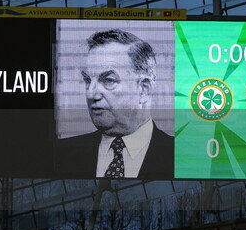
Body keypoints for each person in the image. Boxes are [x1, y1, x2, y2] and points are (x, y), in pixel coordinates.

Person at [54, 28, 173, 179]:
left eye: (108, 80)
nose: (91, 94)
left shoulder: (182, 157)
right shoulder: (60, 155)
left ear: (144, 89)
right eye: (88, 80)